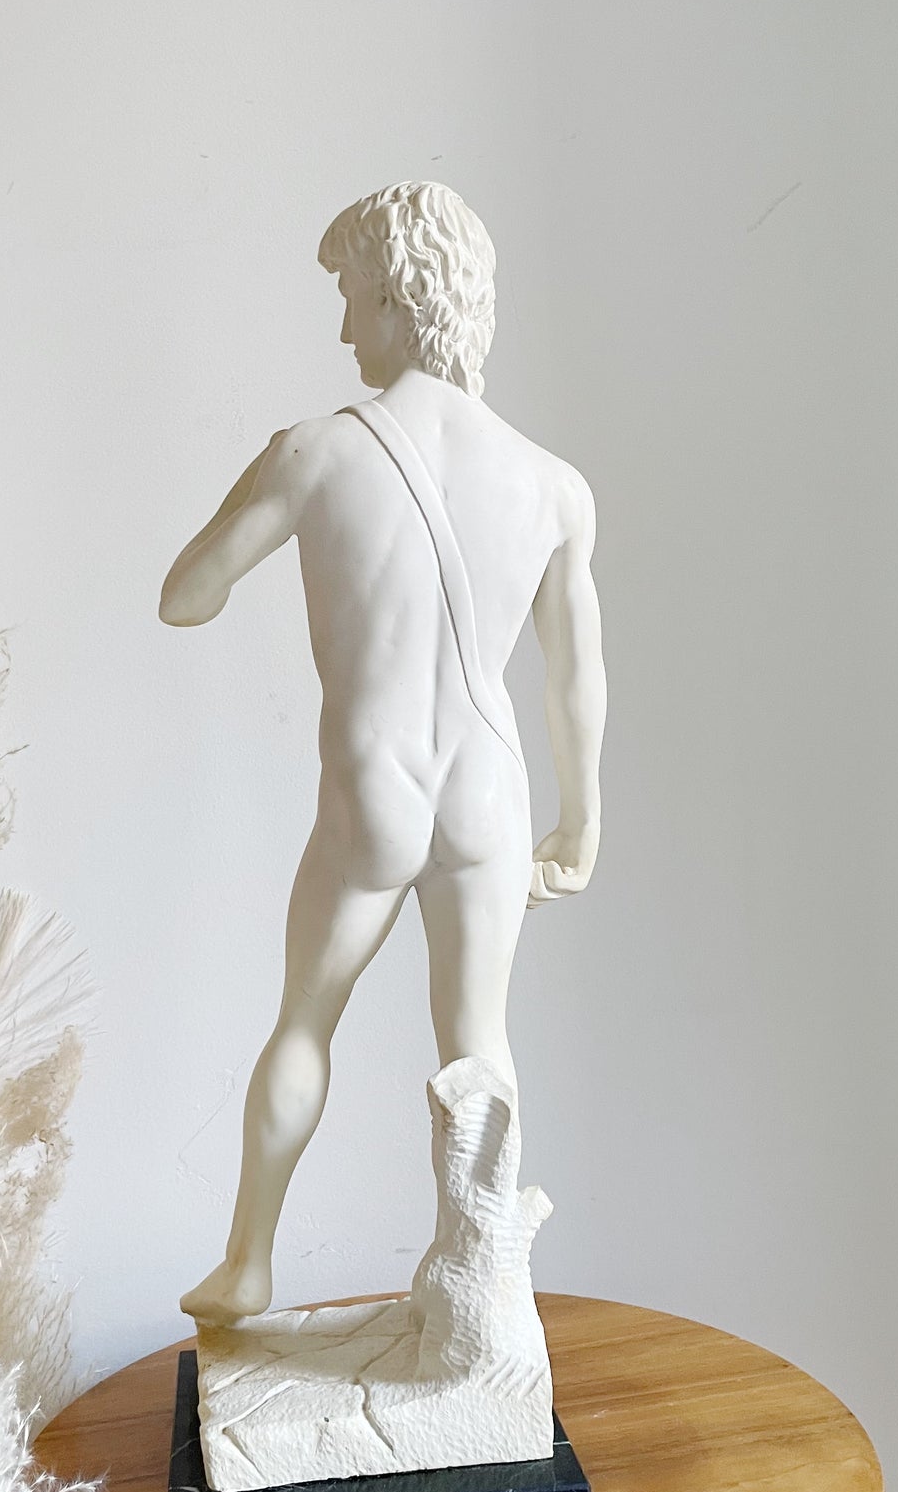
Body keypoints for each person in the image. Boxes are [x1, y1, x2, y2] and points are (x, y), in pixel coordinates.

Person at [162, 182, 606, 1324]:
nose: (344, 329)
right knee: (479, 1045)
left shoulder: (314, 452)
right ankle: (485, 1281)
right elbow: (573, 680)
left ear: (402, 300)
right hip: (491, 786)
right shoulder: (554, 486)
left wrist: (263, 476)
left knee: (305, 1022)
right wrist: (583, 819)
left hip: (376, 787)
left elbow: (186, 595)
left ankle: (249, 1263)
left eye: (354, 298)